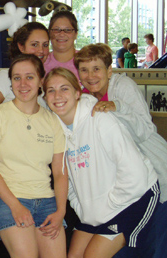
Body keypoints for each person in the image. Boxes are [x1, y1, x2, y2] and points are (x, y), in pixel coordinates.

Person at [43, 67, 159, 258]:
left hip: (134, 199)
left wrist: (110, 204)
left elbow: (135, 174)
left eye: (64, 89)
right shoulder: (56, 130)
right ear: (45, 97)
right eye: (51, 90)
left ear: (77, 93)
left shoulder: (100, 119)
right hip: (96, 210)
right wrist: (83, 207)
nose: (58, 96)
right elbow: (68, 179)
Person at [75, 42, 167, 258]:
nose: (90, 75)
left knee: (156, 246)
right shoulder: (85, 99)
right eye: (84, 70)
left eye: (97, 69)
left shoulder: (122, 86)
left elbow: (146, 129)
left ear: (109, 70)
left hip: (159, 180)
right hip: (128, 190)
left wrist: (118, 107)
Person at [0, 54, 68, 258]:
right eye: (17, 78)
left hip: (46, 200)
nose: (23, 83)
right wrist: (15, 206)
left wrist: (61, 210)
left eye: (30, 77)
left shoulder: (52, 120)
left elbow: (60, 172)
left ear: (41, 81)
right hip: (7, 198)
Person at [0, 22, 50, 104]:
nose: (41, 50)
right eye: (34, 44)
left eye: (45, 45)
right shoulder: (5, 78)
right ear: (21, 47)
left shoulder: (47, 81)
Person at [44, 11, 79, 79]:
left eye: (68, 30)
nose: (62, 34)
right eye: (56, 30)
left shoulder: (85, 61)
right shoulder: (42, 63)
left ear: (76, 35)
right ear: (49, 34)